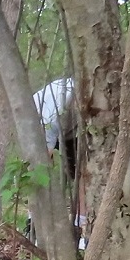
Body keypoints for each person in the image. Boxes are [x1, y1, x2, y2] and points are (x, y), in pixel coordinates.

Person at [32, 77, 86, 229]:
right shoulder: (53, 111)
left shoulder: (96, 97)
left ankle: (81, 223)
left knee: (83, 172)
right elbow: (43, 161)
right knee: (41, 170)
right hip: (41, 123)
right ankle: (36, 221)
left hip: (72, 130)